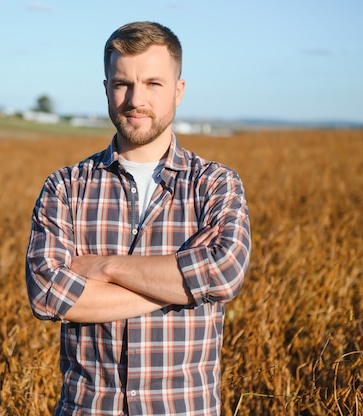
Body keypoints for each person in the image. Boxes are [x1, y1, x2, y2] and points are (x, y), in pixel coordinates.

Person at [25, 21, 251, 415]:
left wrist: (105, 267)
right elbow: (48, 294)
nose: (135, 99)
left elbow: (224, 272)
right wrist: (180, 287)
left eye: (153, 83)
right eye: (122, 84)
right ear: (106, 90)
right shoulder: (65, 186)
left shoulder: (215, 184)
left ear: (178, 91)